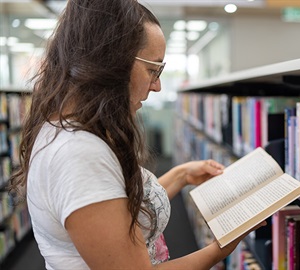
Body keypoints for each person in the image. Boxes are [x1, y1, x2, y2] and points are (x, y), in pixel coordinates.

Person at [9, 0, 264, 269]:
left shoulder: (76, 131)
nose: (157, 86)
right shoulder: (80, 154)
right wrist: (222, 247)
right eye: (153, 70)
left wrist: (182, 175)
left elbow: (117, 211)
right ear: (111, 63)